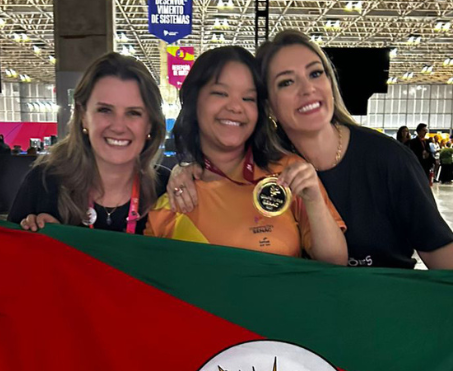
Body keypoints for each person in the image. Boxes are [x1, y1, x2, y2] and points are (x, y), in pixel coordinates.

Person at [164, 30, 453, 314]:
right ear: (269, 104)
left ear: (330, 83)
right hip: (305, 332)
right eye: (286, 82)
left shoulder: (388, 160)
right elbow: (219, 162)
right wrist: (184, 169)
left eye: (315, 74)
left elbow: (439, 248)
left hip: (384, 319)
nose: (307, 90)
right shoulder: (267, 164)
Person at [0, 52, 166, 248]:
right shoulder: (44, 183)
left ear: (150, 123)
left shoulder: (168, 190)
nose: (118, 126)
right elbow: (5, 264)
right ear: (83, 116)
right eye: (105, 110)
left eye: (134, 113)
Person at [145, 46, 347, 265]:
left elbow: (336, 261)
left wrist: (314, 200)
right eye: (220, 93)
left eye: (248, 98)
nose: (235, 107)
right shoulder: (174, 199)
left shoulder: (289, 173)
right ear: (194, 101)